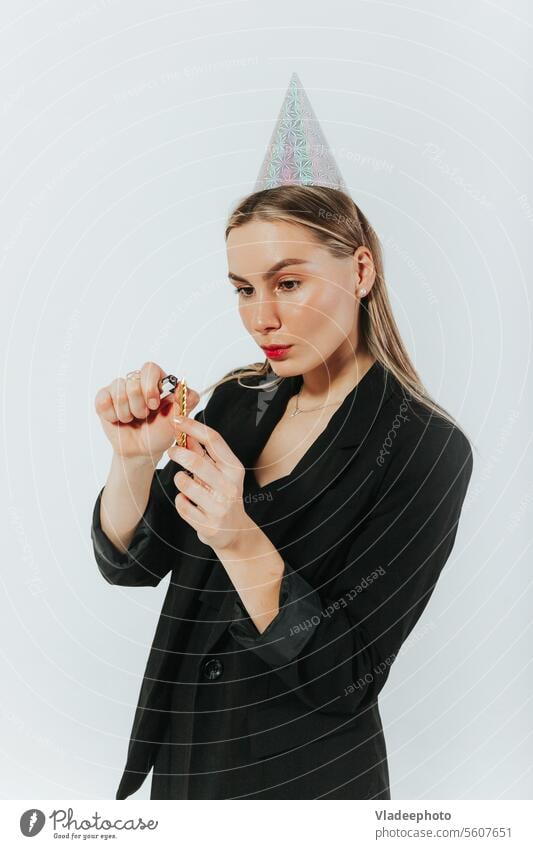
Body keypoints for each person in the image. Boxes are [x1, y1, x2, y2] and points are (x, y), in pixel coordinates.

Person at [91, 77, 474, 800]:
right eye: (242, 288)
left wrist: (238, 537)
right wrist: (131, 461)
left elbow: (347, 672)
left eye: (287, 283)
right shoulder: (236, 402)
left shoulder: (425, 448)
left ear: (360, 269)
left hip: (305, 786)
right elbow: (132, 566)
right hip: (185, 772)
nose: (260, 316)